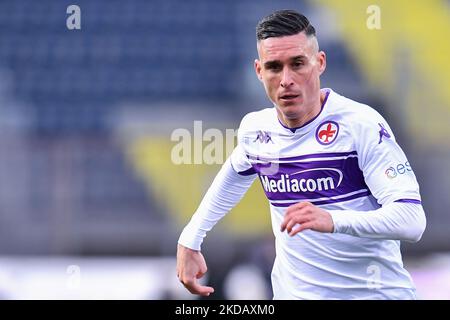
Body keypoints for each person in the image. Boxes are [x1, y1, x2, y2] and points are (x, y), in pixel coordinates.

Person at [176, 9, 426, 299]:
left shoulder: (361, 125)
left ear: (319, 63)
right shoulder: (257, 130)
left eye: (297, 64)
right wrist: (192, 237)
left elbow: (411, 220)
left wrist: (333, 220)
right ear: (259, 71)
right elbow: (234, 173)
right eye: (274, 67)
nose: (286, 79)